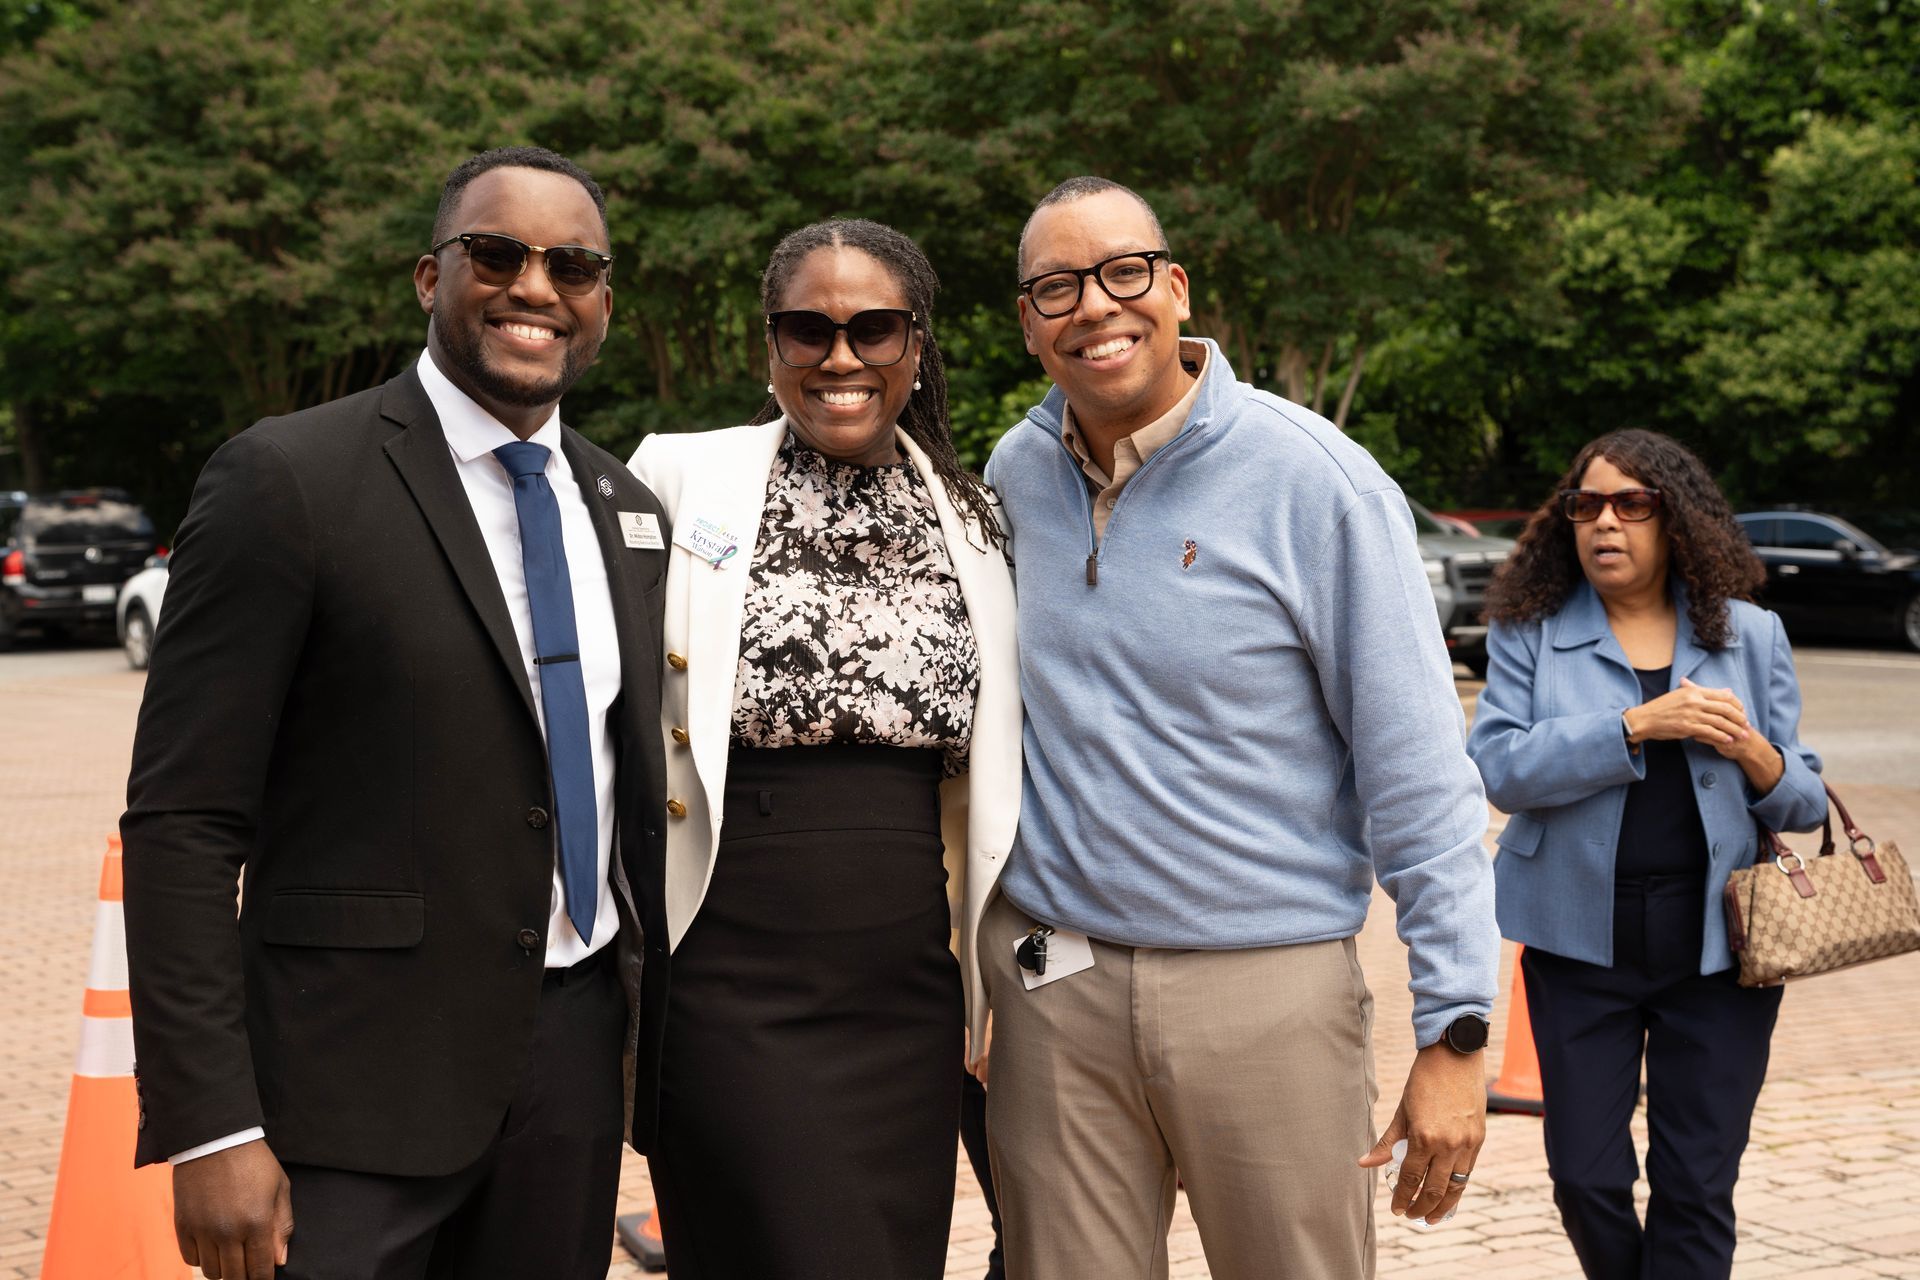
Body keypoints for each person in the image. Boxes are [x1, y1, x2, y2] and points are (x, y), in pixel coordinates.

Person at [120, 146, 671, 1280]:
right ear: (431, 277)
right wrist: (210, 1124)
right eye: (496, 254)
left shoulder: (624, 504)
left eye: (572, 265)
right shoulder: (286, 480)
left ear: (604, 302)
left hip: (566, 1076)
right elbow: (182, 821)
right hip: (343, 1093)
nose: (535, 286)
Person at [978, 175, 1501, 1280]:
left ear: (1174, 287)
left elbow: (1418, 772)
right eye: (1058, 287)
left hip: (1266, 988)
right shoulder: (1013, 473)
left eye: (1123, 272)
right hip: (1055, 989)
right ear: (1028, 322)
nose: (1095, 305)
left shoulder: (1317, 482)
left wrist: (1456, 1029)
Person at [626, 217, 1020, 1279]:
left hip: (906, 979)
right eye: (808, 329)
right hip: (728, 971)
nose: (841, 357)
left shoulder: (974, 516)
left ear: (917, 345)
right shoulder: (679, 476)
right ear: (771, 345)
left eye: (873, 329)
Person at [1467, 429, 1826, 1278]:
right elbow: (1499, 770)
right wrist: (1632, 725)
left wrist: (1752, 751)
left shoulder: (1751, 634)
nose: (1605, 522)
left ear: (1677, 520)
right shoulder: (1529, 632)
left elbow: (1807, 800)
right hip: (1576, 943)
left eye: (1632, 504)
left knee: (1696, 1185)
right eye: (1586, 505)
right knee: (1584, 1178)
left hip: (1722, 949)